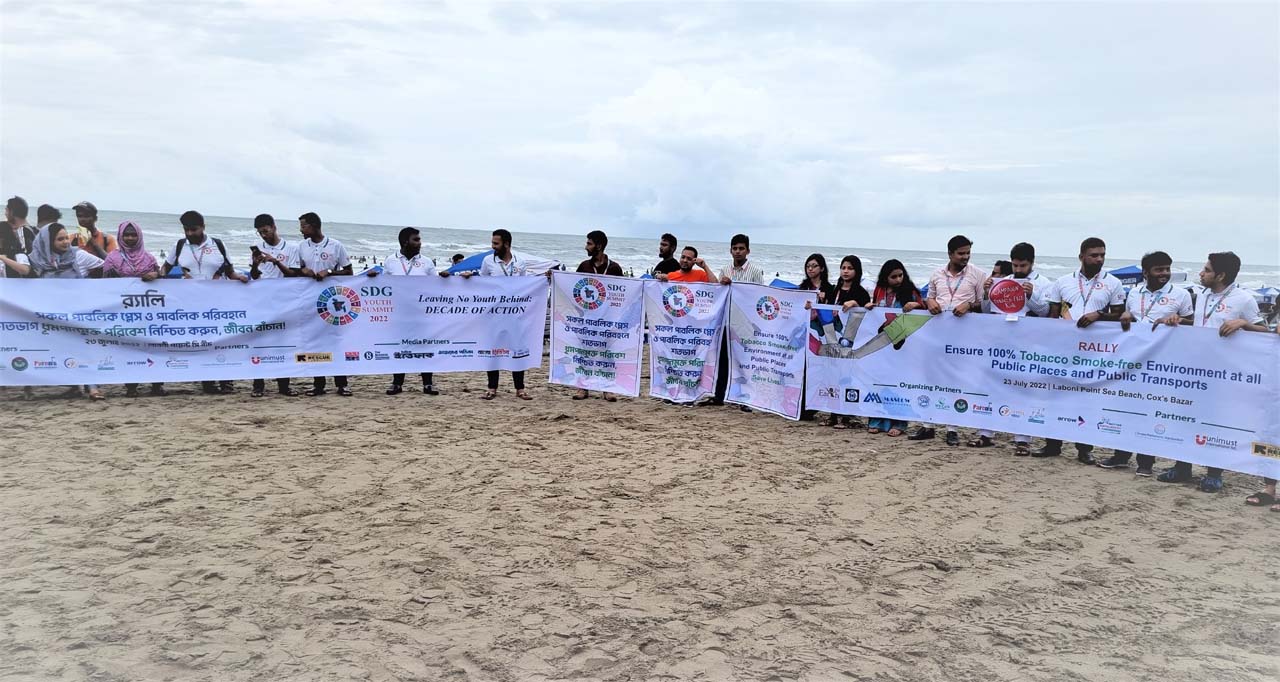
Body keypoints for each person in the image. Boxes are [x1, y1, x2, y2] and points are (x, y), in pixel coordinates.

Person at [1158, 251, 1269, 492]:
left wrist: (1243, 323)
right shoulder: (1202, 294)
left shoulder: (1244, 299)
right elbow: (1203, 324)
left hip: (1222, 374)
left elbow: (1267, 334)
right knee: (1186, 419)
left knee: (1216, 423)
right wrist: (1177, 320)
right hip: (1194, 370)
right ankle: (1182, 467)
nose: (1201, 273)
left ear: (1221, 275)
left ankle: (1214, 472)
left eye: (1206, 270)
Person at [1093, 251, 1193, 474]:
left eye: (1167, 268)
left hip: (1162, 363)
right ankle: (1121, 455)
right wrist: (1126, 314)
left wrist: (1179, 320)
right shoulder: (1135, 292)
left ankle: (1146, 463)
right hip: (1132, 360)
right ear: (1146, 272)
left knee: (1151, 411)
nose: (1165, 273)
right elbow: (1133, 318)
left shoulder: (1181, 295)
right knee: (1126, 409)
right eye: (1159, 269)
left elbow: (1195, 325)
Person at [1033, 237, 1126, 463]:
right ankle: (1052, 444)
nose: (1099, 259)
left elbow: (1121, 315)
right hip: (1064, 350)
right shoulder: (1063, 282)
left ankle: (1084, 449)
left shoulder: (1113, 283)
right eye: (1094, 255)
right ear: (1082, 256)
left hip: (1095, 352)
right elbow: (1053, 314)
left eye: (1102, 255)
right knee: (1056, 396)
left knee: (1087, 400)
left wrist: (1099, 315)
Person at [0, 224, 106, 399]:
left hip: (74, 313)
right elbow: (26, 275)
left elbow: (107, 266)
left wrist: (90, 288)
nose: (65, 242)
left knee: (81, 348)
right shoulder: (36, 259)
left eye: (66, 238)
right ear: (47, 241)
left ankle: (93, 388)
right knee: (50, 350)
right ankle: (70, 386)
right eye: (60, 239)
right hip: (47, 315)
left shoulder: (78, 255)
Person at [910, 235, 987, 446]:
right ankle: (928, 425)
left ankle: (952, 428)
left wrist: (970, 305)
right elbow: (930, 296)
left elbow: (985, 305)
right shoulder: (936, 274)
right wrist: (931, 301)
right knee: (931, 379)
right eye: (961, 253)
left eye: (968, 253)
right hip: (936, 336)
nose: (965, 257)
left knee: (954, 382)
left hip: (962, 339)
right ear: (950, 253)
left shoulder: (978, 275)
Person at [975, 242, 1050, 454]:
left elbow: (1045, 313)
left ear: (1032, 263)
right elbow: (987, 311)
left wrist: (1031, 296)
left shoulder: (1043, 283)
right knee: (991, 386)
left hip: (1028, 344)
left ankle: (1022, 439)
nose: (1018, 270)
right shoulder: (1005, 281)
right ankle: (986, 432)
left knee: (1023, 390)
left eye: (1023, 266)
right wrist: (988, 293)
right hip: (1001, 342)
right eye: (1015, 265)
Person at [165, 210, 249, 394]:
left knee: (223, 340)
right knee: (200, 341)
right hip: (192, 305)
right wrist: (154, 275)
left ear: (203, 227)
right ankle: (207, 381)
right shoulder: (180, 245)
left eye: (193, 230)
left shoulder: (218, 244)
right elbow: (166, 267)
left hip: (219, 304)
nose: (189, 234)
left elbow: (230, 271)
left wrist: (239, 278)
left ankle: (227, 381)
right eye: (186, 230)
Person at [458, 228, 536, 400]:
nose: (492, 246)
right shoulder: (488, 261)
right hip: (493, 315)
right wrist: (471, 276)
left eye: (496, 243)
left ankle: (520, 389)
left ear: (506, 244)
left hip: (515, 315)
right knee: (492, 350)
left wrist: (543, 279)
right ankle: (492, 388)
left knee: (517, 350)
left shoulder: (520, 262)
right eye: (492, 242)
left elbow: (527, 286)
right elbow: (483, 282)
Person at [370, 227, 445, 396]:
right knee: (400, 346)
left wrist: (447, 278)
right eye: (416, 239)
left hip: (422, 314)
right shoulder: (391, 260)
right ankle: (397, 383)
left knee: (424, 347)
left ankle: (428, 384)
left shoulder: (426, 262)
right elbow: (385, 286)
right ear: (405, 242)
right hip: (399, 314)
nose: (420, 243)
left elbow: (436, 285)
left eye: (419, 239)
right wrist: (374, 279)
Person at [102, 220, 166, 398]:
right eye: (126, 235)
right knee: (129, 349)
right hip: (124, 314)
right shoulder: (112, 258)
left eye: (133, 234)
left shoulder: (149, 258)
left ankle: (157, 385)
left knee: (154, 347)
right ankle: (131, 386)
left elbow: (163, 281)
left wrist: (156, 274)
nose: (130, 238)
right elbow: (104, 286)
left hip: (150, 314)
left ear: (139, 236)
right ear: (120, 236)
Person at [861, 259, 923, 437]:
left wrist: (916, 305)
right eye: (893, 276)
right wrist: (869, 306)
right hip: (881, 344)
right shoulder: (879, 291)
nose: (898, 279)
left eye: (900, 275)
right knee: (878, 382)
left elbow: (925, 309)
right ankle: (876, 421)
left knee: (898, 384)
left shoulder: (910, 291)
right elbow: (874, 313)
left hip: (901, 345)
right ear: (885, 277)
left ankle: (899, 423)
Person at [297, 212, 354, 397]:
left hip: (332, 302)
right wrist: (303, 270)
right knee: (315, 343)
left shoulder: (336, 245)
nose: (301, 230)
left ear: (314, 226)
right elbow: (295, 271)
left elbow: (349, 271)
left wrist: (329, 271)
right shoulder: (301, 247)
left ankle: (342, 384)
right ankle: (318, 384)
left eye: (303, 226)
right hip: (309, 302)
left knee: (336, 342)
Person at [707, 234, 765, 409]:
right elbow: (717, 295)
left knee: (744, 361)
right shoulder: (725, 270)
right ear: (730, 250)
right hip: (727, 321)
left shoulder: (755, 271)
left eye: (741, 248)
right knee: (723, 359)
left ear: (748, 250)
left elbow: (759, 296)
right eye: (735, 248)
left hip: (746, 323)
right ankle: (719, 395)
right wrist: (722, 285)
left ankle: (745, 399)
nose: (738, 252)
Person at [248, 214, 302, 398]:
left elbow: (292, 275)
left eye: (265, 231)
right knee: (260, 343)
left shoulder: (291, 248)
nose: (263, 235)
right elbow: (254, 276)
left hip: (283, 302)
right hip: (262, 301)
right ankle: (258, 385)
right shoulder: (259, 249)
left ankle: (284, 385)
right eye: (260, 232)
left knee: (283, 344)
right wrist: (255, 266)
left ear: (273, 227)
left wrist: (276, 261)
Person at [572, 230, 626, 401]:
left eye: (589, 243)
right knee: (585, 353)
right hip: (587, 318)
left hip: (608, 320)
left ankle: (607, 388)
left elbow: (623, 294)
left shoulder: (614, 268)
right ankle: (583, 387)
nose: (586, 247)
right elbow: (574, 289)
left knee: (607, 354)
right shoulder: (584, 266)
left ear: (599, 246)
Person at [828, 255, 871, 429]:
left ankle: (846, 415)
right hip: (833, 339)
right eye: (843, 267)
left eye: (850, 268)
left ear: (857, 271)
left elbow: (869, 311)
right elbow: (824, 307)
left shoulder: (860, 292)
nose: (846, 271)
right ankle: (832, 413)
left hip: (852, 341)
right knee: (832, 376)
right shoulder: (834, 290)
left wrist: (857, 303)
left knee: (848, 377)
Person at [797, 253, 834, 421]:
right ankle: (803, 405)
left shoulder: (830, 289)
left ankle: (817, 405)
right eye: (808, 266)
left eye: (814, 266)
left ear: (822, 268)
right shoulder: (803, 288)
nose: (810, 269)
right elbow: (795, 309)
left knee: (820, 369)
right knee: (805, 370)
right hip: (805, 334)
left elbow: (835, 312)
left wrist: (823, 303)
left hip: (822, 334)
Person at [1, 196, 35, 277]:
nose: (5, 214)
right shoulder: (33, 230)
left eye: (6, 210)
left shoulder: (22, 233)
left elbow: (25, 261)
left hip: (25, 280)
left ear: (11, 212)